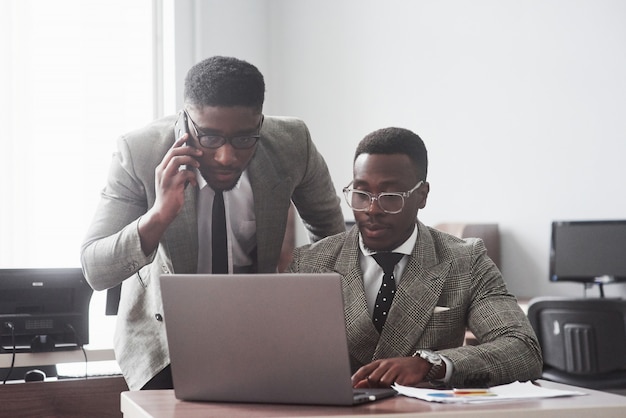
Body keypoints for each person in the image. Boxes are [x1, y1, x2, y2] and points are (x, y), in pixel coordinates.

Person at [81, 56, 345, 391]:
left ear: (260, 123)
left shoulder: (293, 144)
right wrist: (159, 216)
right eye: (209, 137)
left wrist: (298, 308)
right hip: (165, 343)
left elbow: (335, 244)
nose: (226, 156)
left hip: (261, 334)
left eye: (244, 139)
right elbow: (95, 269)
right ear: (186, 120)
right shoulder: (140, 151)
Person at [287, 127, 543, 389]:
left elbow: (522, 349)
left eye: (390, 197)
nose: (372, 209)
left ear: (422, 195)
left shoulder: (465, 261)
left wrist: (433, 365)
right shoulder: (309, 264)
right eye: (361, 194)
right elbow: (280, 354)